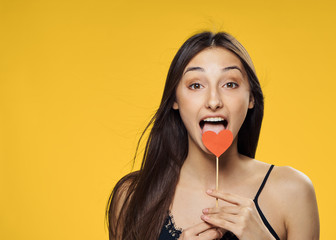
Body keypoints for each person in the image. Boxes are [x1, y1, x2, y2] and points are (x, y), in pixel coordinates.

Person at [106, 32, 320, 240]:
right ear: (175, 100)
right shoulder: (132, 196)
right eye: (196, 85)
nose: (214, 101)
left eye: (230, 84)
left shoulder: (293, 192)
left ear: (251, 98)